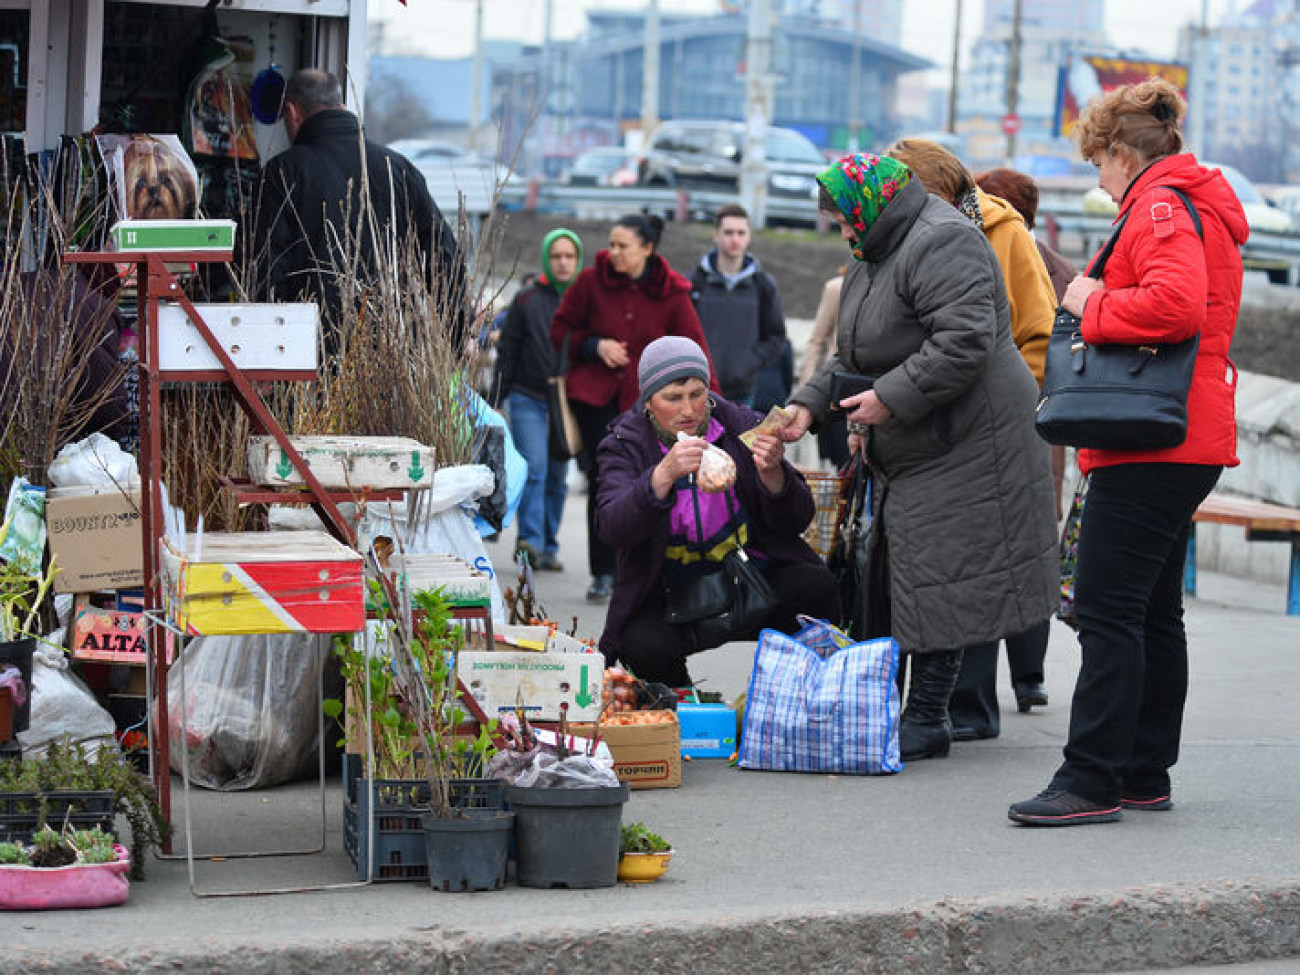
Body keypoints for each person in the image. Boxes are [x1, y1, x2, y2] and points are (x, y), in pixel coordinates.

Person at [1009, 78, 1247, 826]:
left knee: (1109, 612)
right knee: (1150, 614)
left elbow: (1174, 307)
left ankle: (1090, 779)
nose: (1100, 182)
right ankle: (1144, 771)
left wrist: (1088, 302)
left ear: (1120, 153)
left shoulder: (1159, 204)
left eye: (1099, 165)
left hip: (1154, 438)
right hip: (1183, 431)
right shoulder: (1193, 200)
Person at [777, 153, 1057, 762]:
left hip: (972, 436)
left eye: (843, 221)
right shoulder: (875, 252)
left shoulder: (942, 241)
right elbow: (855, 352)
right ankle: (901, 708)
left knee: (941, 572)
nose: (842, 235)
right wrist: (809, 404)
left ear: (868, 209)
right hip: (926, 430)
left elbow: (964, 341)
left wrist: (887, 397)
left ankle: (929, 717)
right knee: (904, 570)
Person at [885, 138, 1058, 742]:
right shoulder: (903, 237)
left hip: (983, 419)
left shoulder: (1002, 232)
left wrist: (1006, 404)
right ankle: (934, 707)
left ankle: (968, 709)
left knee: (978, 563)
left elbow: (1037, 328)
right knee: (940, 562)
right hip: (924, 416)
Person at [596, 336, 839, 687]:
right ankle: (685, 718)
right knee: (638, 641)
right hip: (671, 592)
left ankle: (796, 699)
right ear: (648, 402)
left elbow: (797, 520)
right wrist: (660, 477)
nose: (689, 410)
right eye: (673, 398)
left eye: (697, 394)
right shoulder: (625, 444)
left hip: (749, 578)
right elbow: (612, 527)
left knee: (816, 588)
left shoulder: (741, 425)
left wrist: (774, 475)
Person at [551, 213, 716, 603]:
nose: (614, 252)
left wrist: (712, 406)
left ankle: (649, 569)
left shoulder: (673, 291)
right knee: (605, 482)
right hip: (597, 401)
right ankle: (603, 572)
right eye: (612, 243)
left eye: (624, 245)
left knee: (654, 482)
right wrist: (595, 346)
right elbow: (561, 330)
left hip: (650, 408)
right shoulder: (591, 282)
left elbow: (696, 351)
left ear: (647, 248)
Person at [247, 69, 467, 354]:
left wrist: (268, 352)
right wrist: (461, 334)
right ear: (341, 107)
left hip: (310, 353)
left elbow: (265, 267)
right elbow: (441, 255)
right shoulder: (397, 168)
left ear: (292, 112)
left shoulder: (283, 173)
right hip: (391, 353)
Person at [492, 229, 584, 572]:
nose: (563, 262)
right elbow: (509, 350)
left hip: (570, 402)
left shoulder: (584, 300)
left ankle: (549, 545)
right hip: (528, 397)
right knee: (534, 467)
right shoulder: (527, 300)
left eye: (569, 256)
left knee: (558, 474)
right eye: (557, 256)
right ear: (548, 258)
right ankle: (528, 540)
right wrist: (497, 398)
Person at [688, 203, 789, 407]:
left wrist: (749, 362)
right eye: (728, 233)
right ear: (716, 235)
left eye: (741, 233)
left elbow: (776, 335)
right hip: (698, 389)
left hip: (743, 391)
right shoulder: (694, 282)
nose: (735, 239)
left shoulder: (763, 285)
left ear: (749, 236)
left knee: (738, 440)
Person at [797, 269, 850, 469]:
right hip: (838, 389)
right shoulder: (836, 288)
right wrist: (807, 394)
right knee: (843, 464)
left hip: (875, 390)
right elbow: (817, 341)